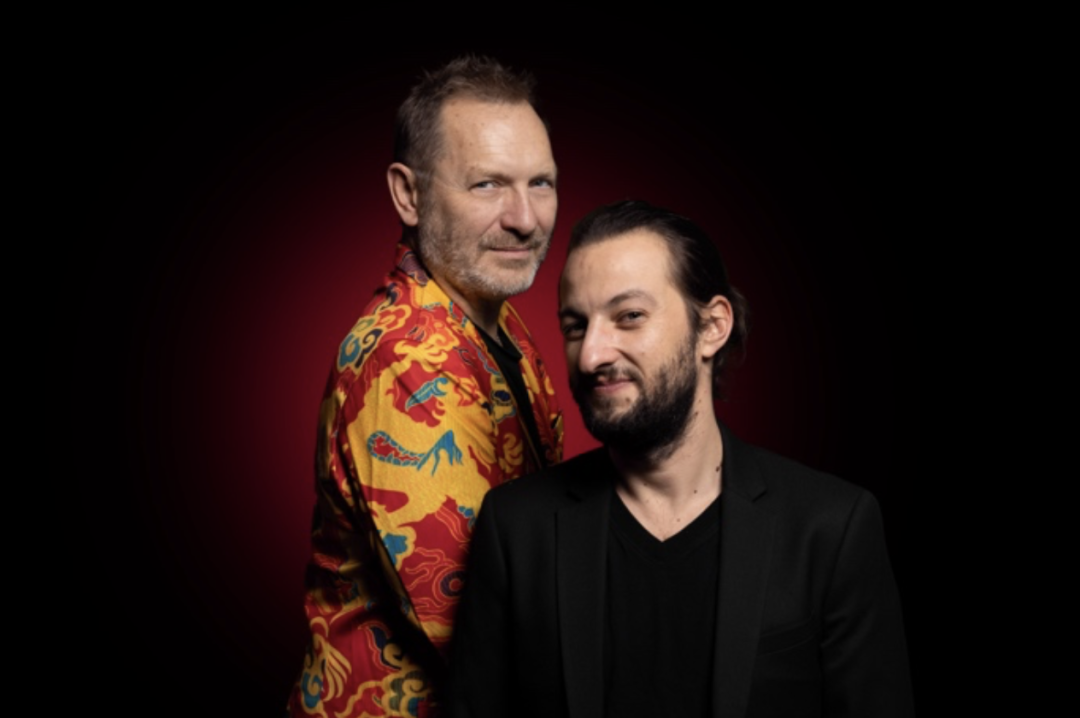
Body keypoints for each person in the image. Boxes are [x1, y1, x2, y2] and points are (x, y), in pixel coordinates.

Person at [448, 200, 914, 717]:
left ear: (711, 326)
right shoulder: (516, 529)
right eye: (576, 326)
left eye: (629, 317)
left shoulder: (830, 528)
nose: (592, 355)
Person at [287, 56, 564, 718]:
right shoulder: (406, 359)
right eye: (487, 184)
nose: (525, 218)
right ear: (408, 195)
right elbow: (479, 628)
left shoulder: (495, 318)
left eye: (541, 182)